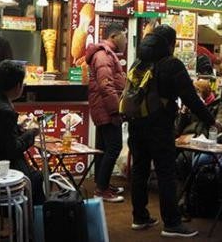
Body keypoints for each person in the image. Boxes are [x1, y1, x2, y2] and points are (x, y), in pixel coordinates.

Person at [129, 24, 214, 238]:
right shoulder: (171, 64)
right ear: (170, 43)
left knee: (139, 170)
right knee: (166, 173)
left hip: (136, 123)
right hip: (159, 125)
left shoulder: (139, 62)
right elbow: (190, 97)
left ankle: (139, 217)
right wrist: (210, 120)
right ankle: (172, 223)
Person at [0, 60, 44, 204]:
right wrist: (31, 133)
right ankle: (31, 223)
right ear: (18, 85)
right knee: (37, 177)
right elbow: (12, 149)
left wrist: (18, 128)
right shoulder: (4, 110)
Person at [85, 22, 127, 203]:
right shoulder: (103, 56)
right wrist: (115, 111)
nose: (125, 40)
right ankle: (101, 189)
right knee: (114, 146)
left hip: (101, 107)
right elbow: (106, 86)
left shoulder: (105, 54)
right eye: (124, 36)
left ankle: (102, 183)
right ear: (115, 36)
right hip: (106, 108)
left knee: (103, 148)